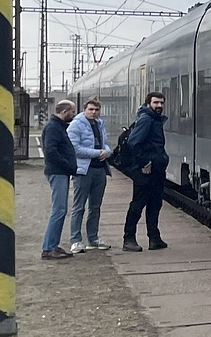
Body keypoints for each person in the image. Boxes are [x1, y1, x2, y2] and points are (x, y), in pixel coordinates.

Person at [120, 90, 168, 252]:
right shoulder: (146, 119)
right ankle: (129, 239)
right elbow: (133, 143)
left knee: (155, 204)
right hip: (145, 171)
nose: (159, 106)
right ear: (148, 104)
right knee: (138, 204)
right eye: (156, 103)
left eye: (161, 103)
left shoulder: (154, 120)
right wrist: (145, 162)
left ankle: (154, 238)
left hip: (157, 169)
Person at [67, 98, 112, 254]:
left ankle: (93, 239)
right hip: (83, 171)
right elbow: (74, 148)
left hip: (100, 170)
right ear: (84, 109)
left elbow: (104, 143)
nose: (94, 112)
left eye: (96, 110)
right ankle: (76, 240)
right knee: (79, 207)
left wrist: (107, 152)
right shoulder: (75, 125)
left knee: (95, 207)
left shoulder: (99, 124)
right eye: (91, 109)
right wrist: (96, 153)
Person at [40, 100, 78, 260]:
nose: (74, 115)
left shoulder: (57, 126)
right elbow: (51, 151)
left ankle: (53, 245)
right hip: (58, 172)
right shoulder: (53, 128)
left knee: (61, 210)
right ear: (65, 111)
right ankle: (48, 248)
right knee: (59, 210)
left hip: (60, 172)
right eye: (72, 112)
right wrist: (67, 164)